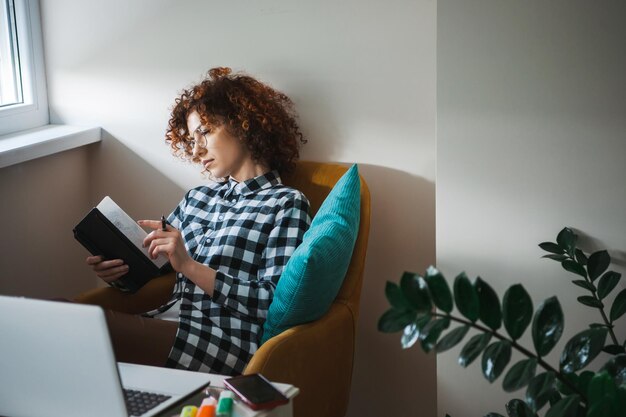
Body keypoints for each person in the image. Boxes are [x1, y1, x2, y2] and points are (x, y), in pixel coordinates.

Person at [85, 67, 311, 375]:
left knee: (82, 327)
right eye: (191, 139)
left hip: (226, 341)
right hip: (172, 323)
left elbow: (269, 302)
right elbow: (154, 268)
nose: (196, 149)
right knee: (62, 314)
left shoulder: (285, 203)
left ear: (243, 124)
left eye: (204, 132)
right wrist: (117, 271)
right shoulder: (197, 198)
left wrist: (190, 266)